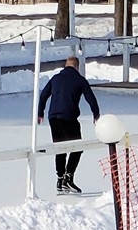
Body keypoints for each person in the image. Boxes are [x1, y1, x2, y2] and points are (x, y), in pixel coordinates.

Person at [37, 56, 100, 193]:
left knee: (60, 148)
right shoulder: (79, 80)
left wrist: (40, 112)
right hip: (69, 117)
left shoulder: (55, 78)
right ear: (77, 67)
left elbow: (43, 96)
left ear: (65, 66)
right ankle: (68, 177)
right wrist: (96, 114)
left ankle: (60, 180)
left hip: (53, 118)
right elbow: (91, 98)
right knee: (78, 147)